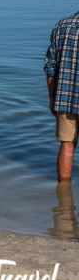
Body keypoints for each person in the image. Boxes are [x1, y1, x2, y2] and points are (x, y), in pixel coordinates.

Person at [45, 11, 79, 181]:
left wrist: (52, 98)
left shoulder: (63, 26)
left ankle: (64, 195)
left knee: (67, 144)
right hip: (66, 98)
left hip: (65, 98)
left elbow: (50, 67)